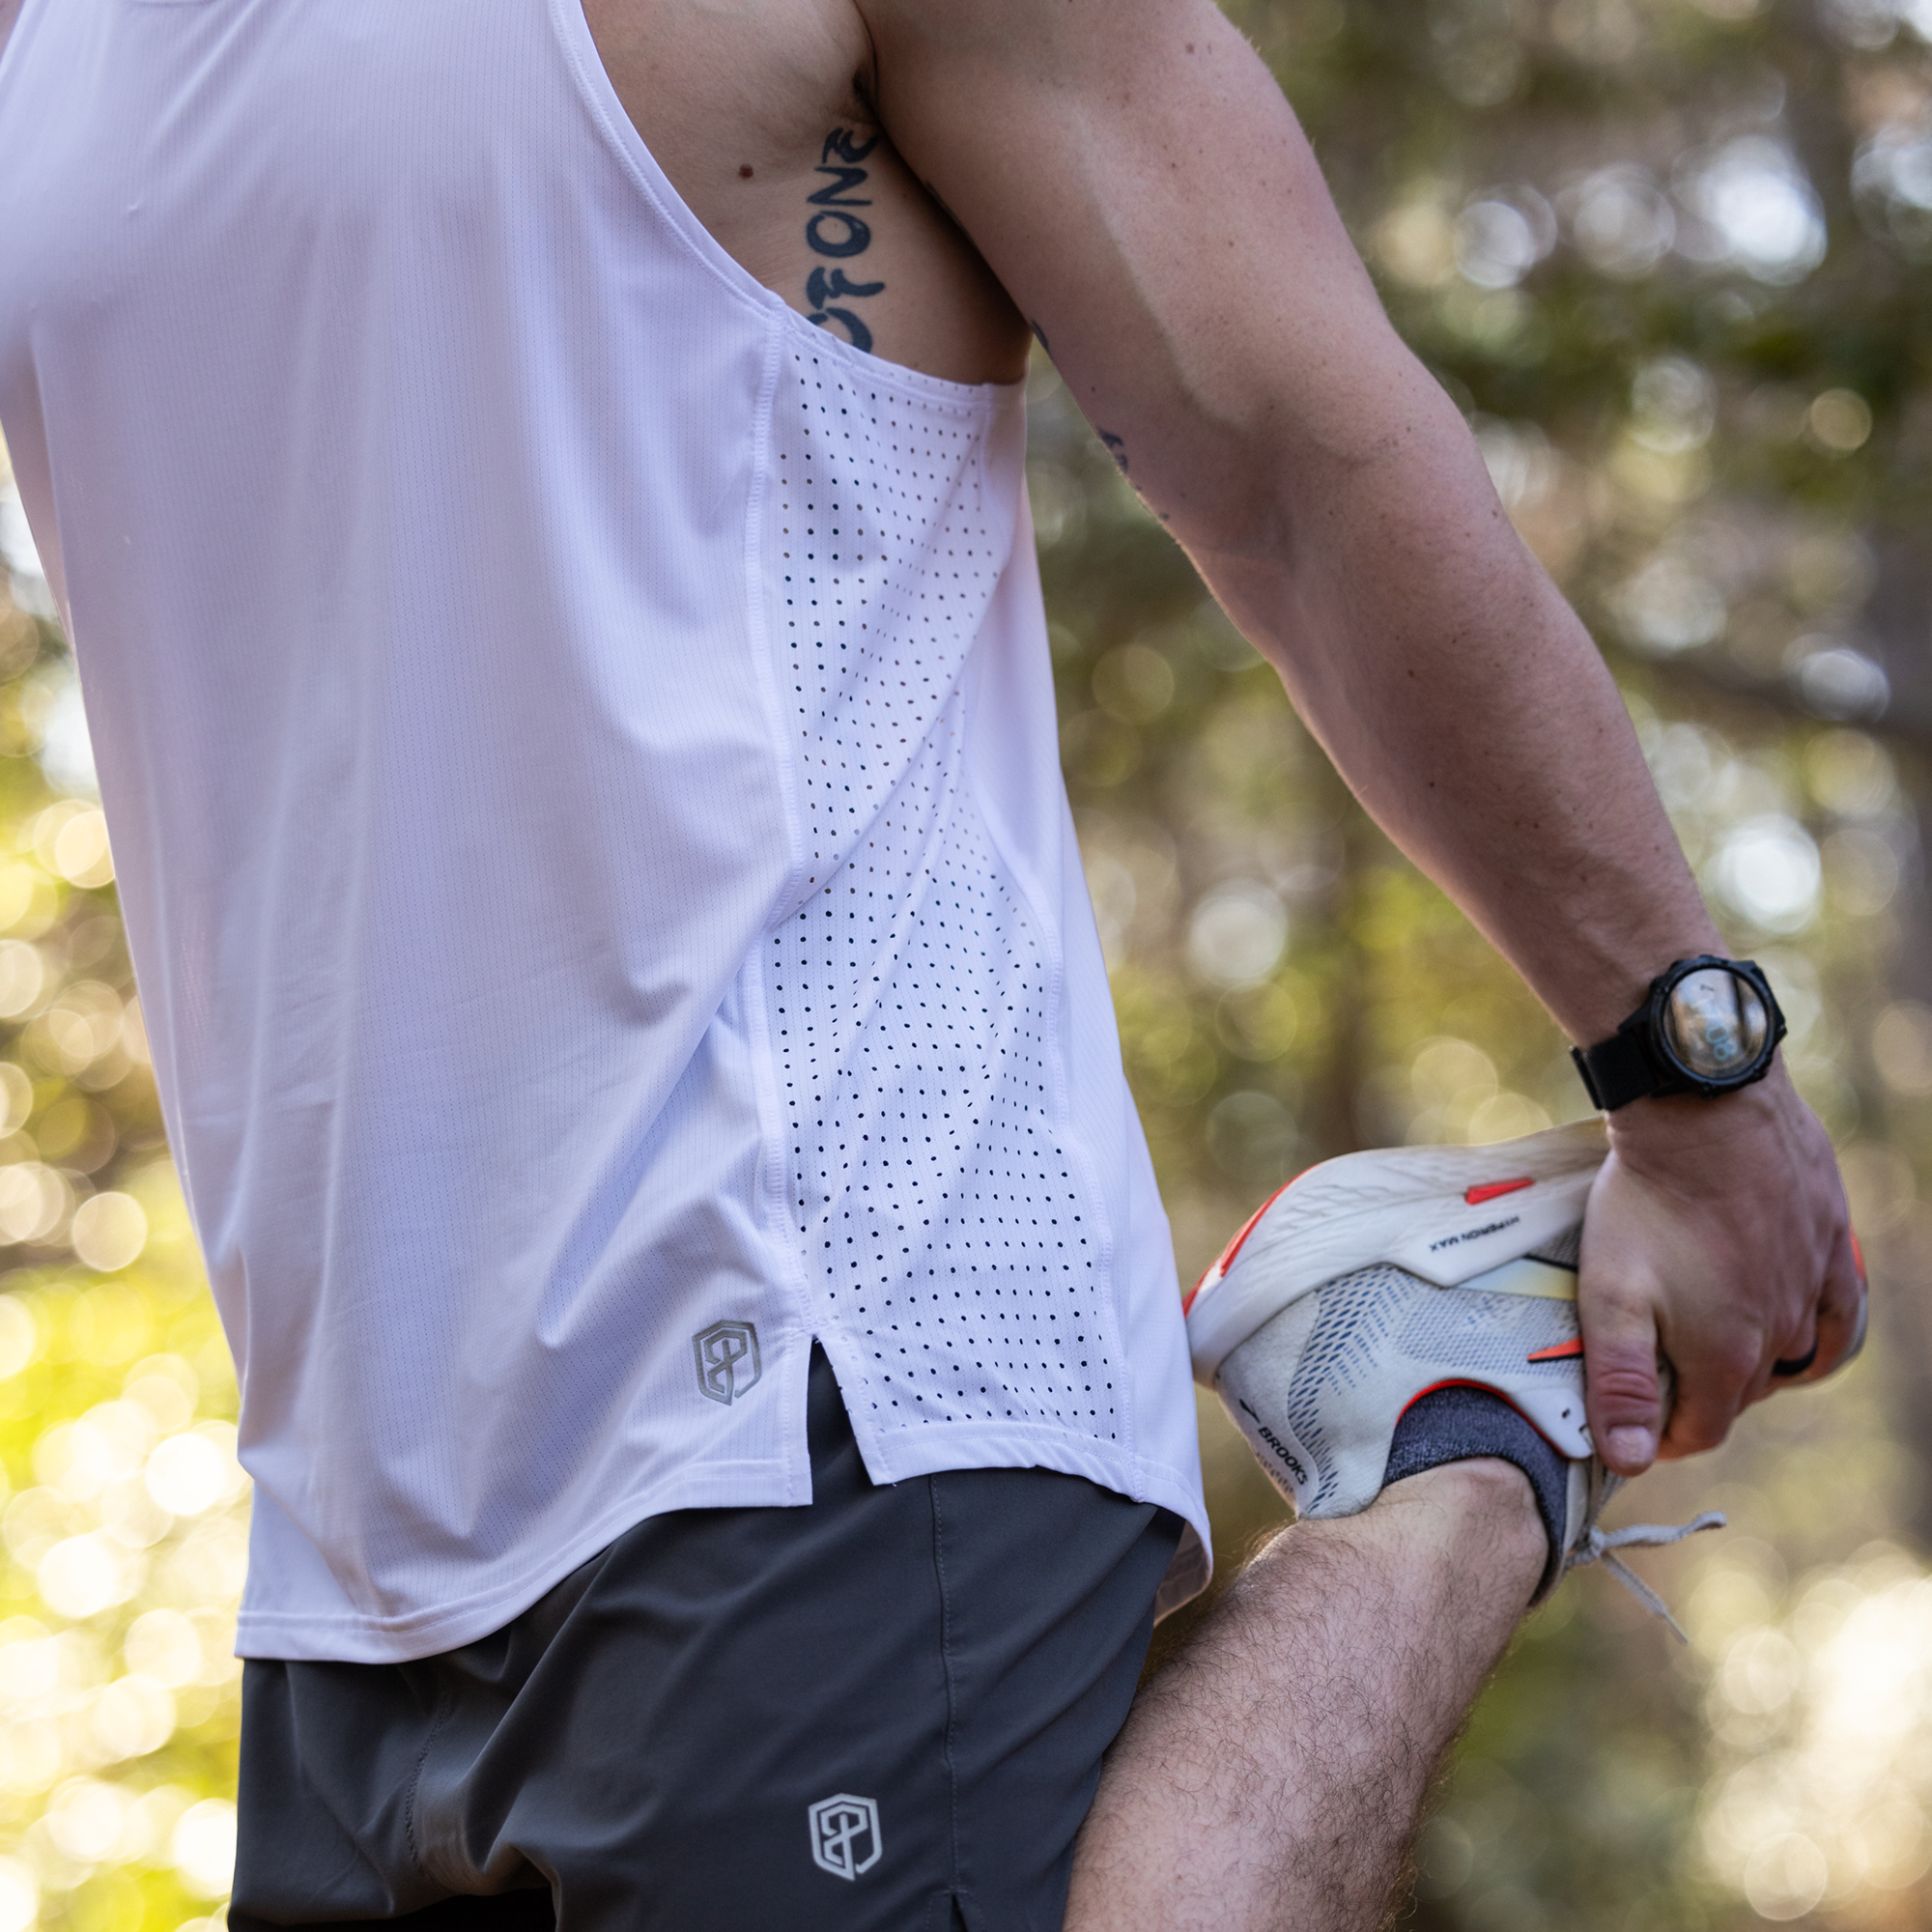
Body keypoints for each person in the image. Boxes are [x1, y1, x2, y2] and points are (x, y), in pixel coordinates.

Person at [0, 0, 1862, 1925]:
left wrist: (1686, 1066)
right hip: (349, 1522)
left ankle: (1464, 1457)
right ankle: (1450, 1402)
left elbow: (1297, 458)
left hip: (815, 1374)